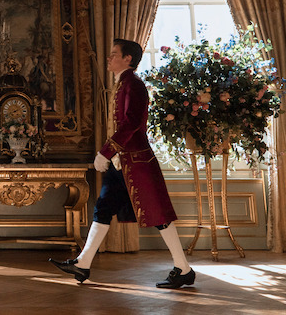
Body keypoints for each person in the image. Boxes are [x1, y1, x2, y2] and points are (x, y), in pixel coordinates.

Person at [49, 39, 195, 289]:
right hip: (122, 164)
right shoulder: (123, 84)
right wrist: (110, 155)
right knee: (103, 209)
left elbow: (131, 124)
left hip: (136, 163)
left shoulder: (134, 85)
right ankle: (83, 264)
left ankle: (184, 269)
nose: (109, 58)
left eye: (113, 54)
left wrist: (105, 152)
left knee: (158, 216)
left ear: (127, 59)